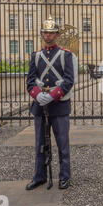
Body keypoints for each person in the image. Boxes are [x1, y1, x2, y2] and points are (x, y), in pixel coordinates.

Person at [25, 15, 74, 190]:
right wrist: (38, 95)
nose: (48, 35)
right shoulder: (36, 56)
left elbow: (69, 80)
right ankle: (39, 176)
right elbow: (30, 81)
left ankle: (64, 176)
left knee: (62, 144)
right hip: (40, 106)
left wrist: (52, 95)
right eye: (45, 32)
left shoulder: (65, 55)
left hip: (59, 105)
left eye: (51, 33)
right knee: (40, 144)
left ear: (57, 35)